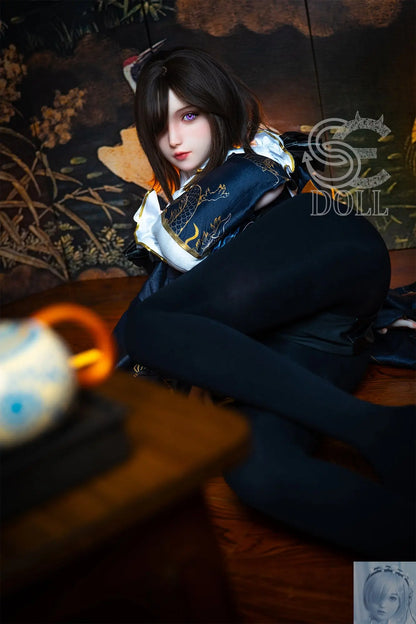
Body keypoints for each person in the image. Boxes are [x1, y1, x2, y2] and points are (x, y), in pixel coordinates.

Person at [113, 47, 415, 557]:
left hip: (335, 255)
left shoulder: (252, 159)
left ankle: (381, 433)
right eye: (159, 126)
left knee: (147, 324)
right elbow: (175, 310)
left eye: (189, 115)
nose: (175, 139)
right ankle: (395, 488)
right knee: (256, 469)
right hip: (319, 339)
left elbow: (180, 265)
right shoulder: (168, 201)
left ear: (218, 107)